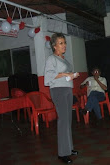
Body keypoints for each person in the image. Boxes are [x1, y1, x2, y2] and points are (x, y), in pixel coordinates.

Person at [44, 33, 79, 164]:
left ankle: (69, 148)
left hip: (67, 89)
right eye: (61, 43)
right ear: (54, 46)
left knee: (68, 120)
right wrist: (65, 73)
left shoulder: (64, 59)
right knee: (63, 121)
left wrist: (71, 76)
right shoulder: (51, 59)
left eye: (64, 42)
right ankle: (62, 153)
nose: (64, 45)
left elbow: (64, 76)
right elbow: (48, 78)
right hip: (58, 90)